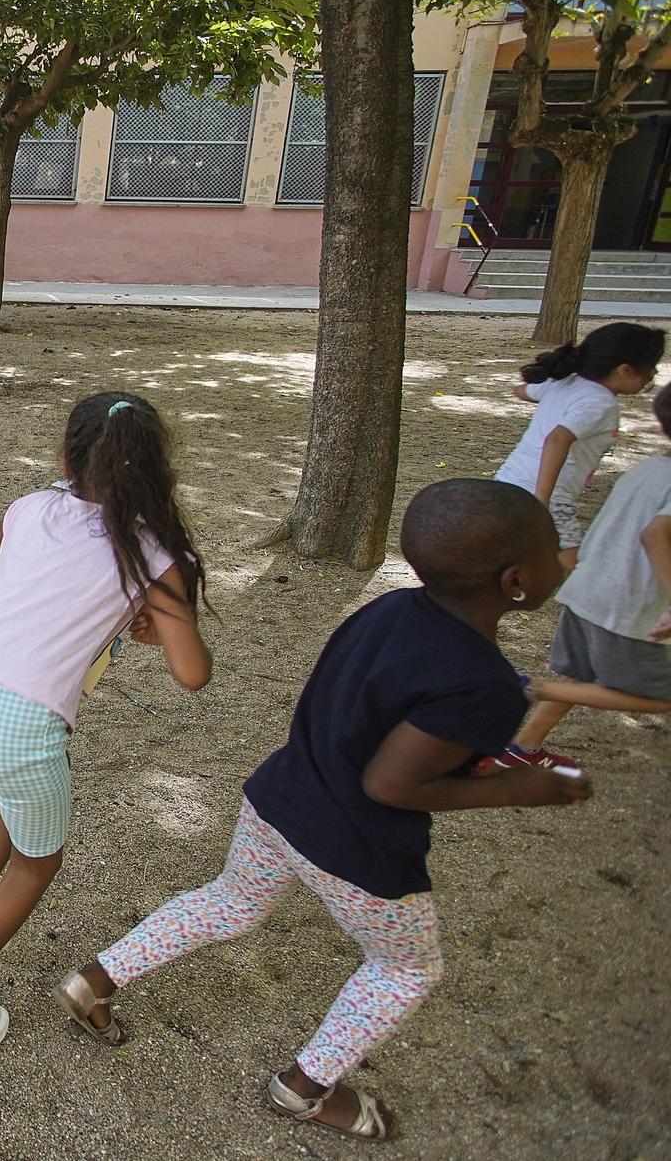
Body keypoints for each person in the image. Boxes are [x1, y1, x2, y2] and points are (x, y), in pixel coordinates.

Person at [57, 479, 589, 1143]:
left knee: (231, 902)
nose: (565, 560)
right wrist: (520, 788)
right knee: (405, 967)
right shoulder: (482, 682)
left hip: (280, 798)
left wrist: (487, 753)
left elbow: (382, 717)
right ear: (515, 579)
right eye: (555, 552)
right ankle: (305, 1089)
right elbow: (393, 783)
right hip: (357, 847)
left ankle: (94, 979)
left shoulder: (389, 610)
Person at [0, 391, 212, 1055]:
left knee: (22, 793)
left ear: (64, 456)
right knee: (38, 864)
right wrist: (163, 618)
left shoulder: (32, 508)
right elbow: (193, 672)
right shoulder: (153, 556)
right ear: (158, 468)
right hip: (24, 729)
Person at [507, 380, 671, 766]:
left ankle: (523, 748)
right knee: (661, 696)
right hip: (627, 608)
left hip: (586, 593)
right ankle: (530, 688)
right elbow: (655, 534)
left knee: (582, 677)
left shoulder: (646, 470)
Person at [494, 322, 662, 569]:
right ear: (625, 370)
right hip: (549, 494)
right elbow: (558, 439)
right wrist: (543, 498)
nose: (652, 376)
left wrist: (554, 402)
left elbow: (521, 391)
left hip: (508, 480)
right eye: (649, 371)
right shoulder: (600, 403)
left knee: (511, 548)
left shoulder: (565, 384)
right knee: (569, 559)